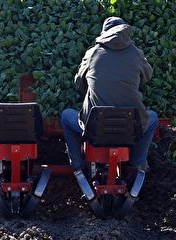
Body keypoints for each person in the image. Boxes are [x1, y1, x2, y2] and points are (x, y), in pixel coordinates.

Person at [61, 16, 158, 173]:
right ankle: (136, 164)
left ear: (103, 33)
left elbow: (78, 83)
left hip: (94, 127)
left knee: (66, 116)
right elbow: (147, 77)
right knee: (152, 118)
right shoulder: (137, 53)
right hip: (130, 127)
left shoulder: (92, 53)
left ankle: (78, 165)